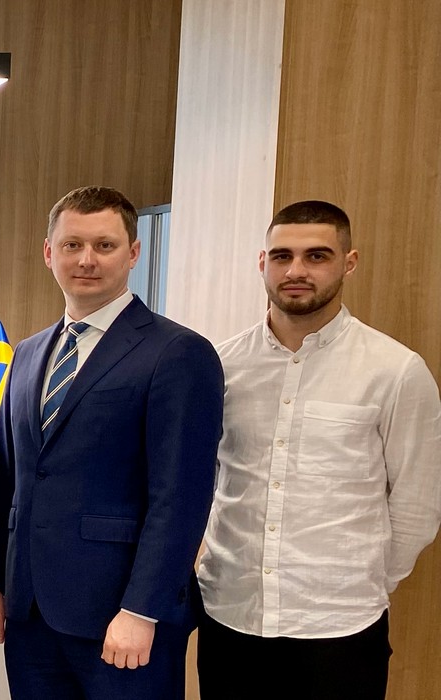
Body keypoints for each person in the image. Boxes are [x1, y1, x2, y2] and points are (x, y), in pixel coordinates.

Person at [0, 186, 223, 700]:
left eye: (105, 246)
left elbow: (181, 499)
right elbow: (7, 484)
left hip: (121, 617)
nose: (87, 259)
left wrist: (142, 609)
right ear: (49, 253)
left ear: (133, 253)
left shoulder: (179, 352)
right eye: (72, 245)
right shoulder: (27, 354)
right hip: (31, 614)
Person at [197, 200, 441, 700]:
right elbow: (205, 480)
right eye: (282, 256)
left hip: (340, 627)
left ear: (349, 262)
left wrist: (363, 578)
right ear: (262, 263)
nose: (296, 271)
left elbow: (418, 504)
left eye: (317, 256)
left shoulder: (395, 370)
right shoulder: (220, 365)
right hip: (231, 616)